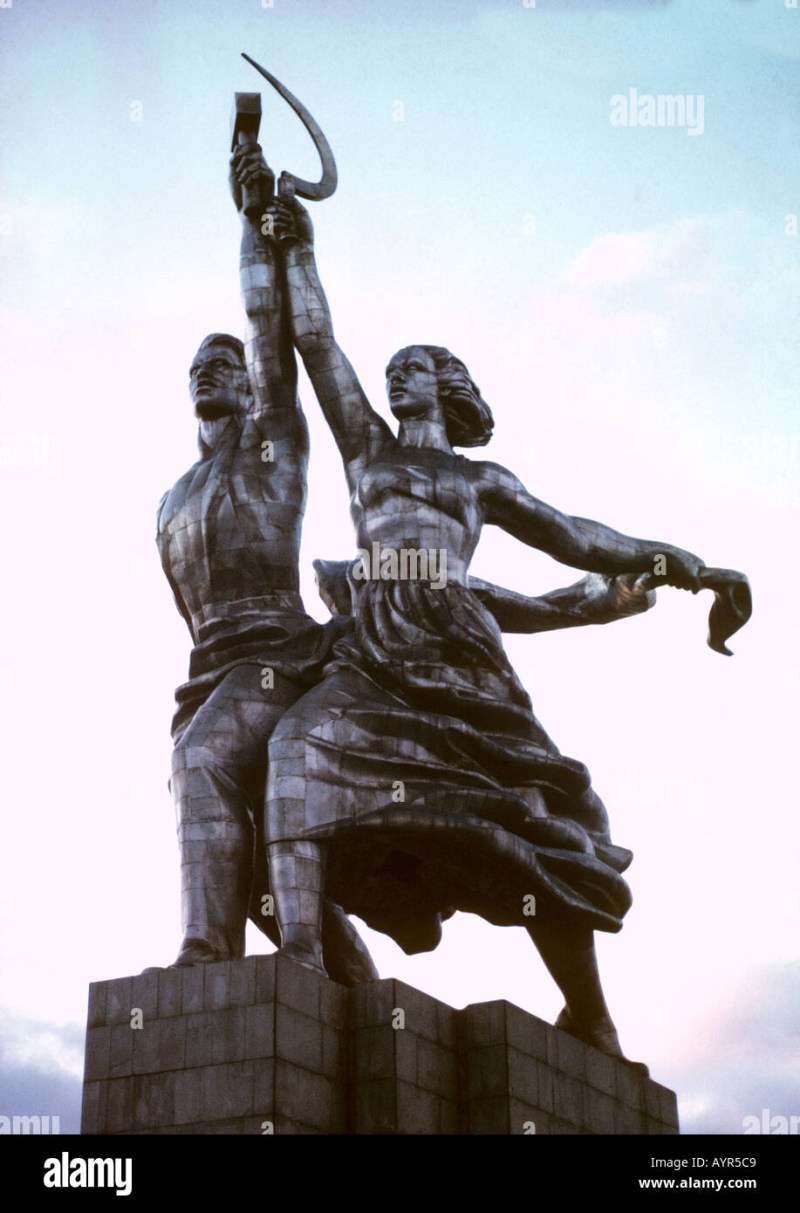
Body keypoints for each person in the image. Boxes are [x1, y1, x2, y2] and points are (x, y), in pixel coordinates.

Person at [260, 196, 712, 1063]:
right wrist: (298, 251)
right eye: (391, 372)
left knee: (525, 816)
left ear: (447, 385)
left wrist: (673, 562)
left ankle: (591, 1014)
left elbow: (578, 536)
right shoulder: (369, 449)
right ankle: (302, 960)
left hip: (459, 652)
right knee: (293, 750)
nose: (395, 380)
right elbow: (317, 343)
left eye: (412, 370)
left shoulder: (481, 481)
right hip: (374, 648)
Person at [153, 142, 378, 982]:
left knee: (202, 761)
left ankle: (205, 954)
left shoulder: (272, 449)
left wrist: (255, 225)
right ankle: (353, 987)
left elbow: (265, 329)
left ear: (250, 389)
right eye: (196, 367)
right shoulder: (170, 501)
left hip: (279, 657)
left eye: (224, 365)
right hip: (209, 670)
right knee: (243, 856)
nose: (208, 371)